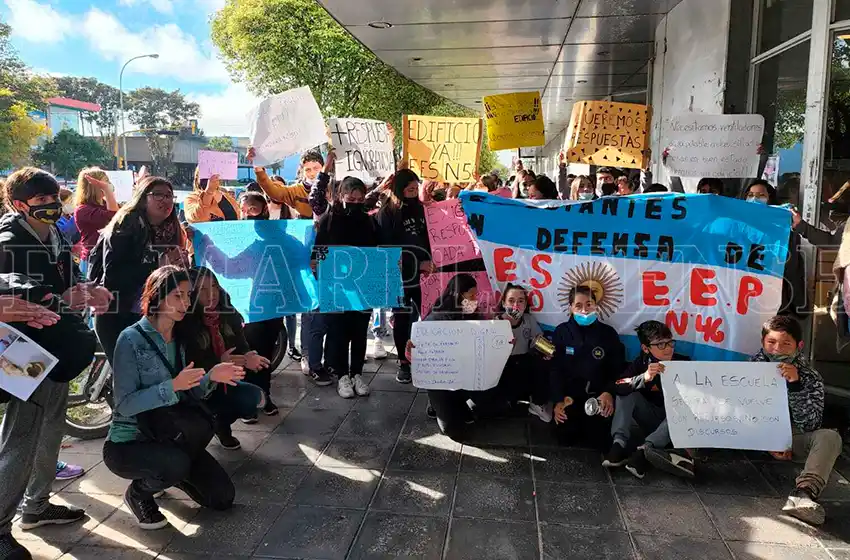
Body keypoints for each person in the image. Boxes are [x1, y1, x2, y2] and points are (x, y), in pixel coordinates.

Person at [103, 266, 242, 530]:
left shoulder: (182, 336)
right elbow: (125, 404)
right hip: (130, 442)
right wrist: (172, 386)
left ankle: (168, 474)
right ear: (157, 296)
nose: (186, 303)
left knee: (222, 498)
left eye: (188, 296)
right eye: (178, 296)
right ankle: (139, 493)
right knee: (174, 464)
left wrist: (212, 376)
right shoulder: (130, 339)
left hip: (174, 435)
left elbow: (192, 392)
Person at [0, 273, 97, 559]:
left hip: (45, 343)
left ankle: (37, 505)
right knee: (21, 437)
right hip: (17, 341)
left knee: (48, 430)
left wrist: (61, 298)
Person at [751, 315, 842, 526]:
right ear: (763, 342)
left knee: (830, 437)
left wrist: (795, 385)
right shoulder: (741, 372)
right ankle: (685, 456)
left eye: (786, 343)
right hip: (749, 436)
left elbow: (810, 424)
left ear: (798, 346)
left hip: (790, 439)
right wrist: (766, 442)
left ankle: (804, 494)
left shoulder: (810, 377)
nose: (777, 349)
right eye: (771, 342)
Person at [91, 176, 187, 365]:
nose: (165, 200)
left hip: (150, 314)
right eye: (158, 195)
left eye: (169, 196)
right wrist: (158, 265)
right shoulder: (125, 224)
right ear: (142, 198)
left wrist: (180, 265)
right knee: (128, 374)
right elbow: (114, 276)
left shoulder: (170, 229)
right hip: (118, 313)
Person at [178, 267, 268, 450]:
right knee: (205, 412)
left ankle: (221, 424)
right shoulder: (185, 321)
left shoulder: (227, 312)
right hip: (195, 387)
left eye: (214, 286)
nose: (211, 294)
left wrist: (249, 356)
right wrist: (218, 362)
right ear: (192, 294)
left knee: (254, 398)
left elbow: (240, 343)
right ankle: (206, 428)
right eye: (202, 289)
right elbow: (189, 365)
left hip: (224, 380)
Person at [314, 176, 378, 398]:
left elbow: (378, 250)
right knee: (338, 332)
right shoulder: (329, 220)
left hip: (363, 285)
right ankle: (341, 375)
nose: (355, 203)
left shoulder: (369, 222)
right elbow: (319, 251)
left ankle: (357, 373)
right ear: (341, 196)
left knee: (360, 331)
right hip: (337, 286)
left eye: (360, 200)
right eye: (351, 199)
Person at [608, 321, 692, 479]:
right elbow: (619, 385)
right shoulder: (641, 362)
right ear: (645, 348)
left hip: (674, 424)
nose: (668, 348)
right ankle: (618, 444)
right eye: (660, 344)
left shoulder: (684, 363)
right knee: (627, 393)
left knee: (683, 407)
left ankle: (644, 450)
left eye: (670, 342)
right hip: (651, 418)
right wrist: (643, 378)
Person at [405, 273, 482, 440]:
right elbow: (419, 354)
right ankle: (436, 403)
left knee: (481, 409)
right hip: (441, 379)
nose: (475, 300)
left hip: (463, 375)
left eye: (476, 295)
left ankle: (458, 402)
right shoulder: (436, 319)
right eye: (471, 296)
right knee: (452, 429)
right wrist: (411, 351)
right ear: (458, 295)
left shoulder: (474, 315)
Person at [376, 168, 433, 384]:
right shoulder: (387, 213)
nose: (414, 192)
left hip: (427, 275)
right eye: (409, 189)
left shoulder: (423, 208)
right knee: (402, 318)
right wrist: (418, 264)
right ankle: (404, 362)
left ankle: (430, 357)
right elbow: (387, 249)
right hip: (400, 276)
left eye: (416, 188)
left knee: (429, 316)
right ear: (399, 189)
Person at [550, 286, 624, 450]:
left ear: (596, 306)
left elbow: (617, 369)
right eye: (578, 305)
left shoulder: (608, 333)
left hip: (598, 396)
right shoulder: (562, 331)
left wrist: (609, 393)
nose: (584, 310)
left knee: (599, 442)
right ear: (571, 307)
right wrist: (558, 400)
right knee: (565, 437)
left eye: (589, 304)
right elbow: (556, 369)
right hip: (570, 397)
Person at [232, 191, 286, 414]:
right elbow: (230, 266)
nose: (247, 213)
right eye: (243, 209)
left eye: (252, 209)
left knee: (266, 351)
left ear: (264, 209)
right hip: (248, 303)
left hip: (273, 302)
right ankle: (247, 400)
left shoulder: (277, 234)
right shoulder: (236, 234)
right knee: (247, 349)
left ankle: (264, 395)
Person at [496, 284, 551, 422]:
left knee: (541, 363)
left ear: (525, 304)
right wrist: (504, 348)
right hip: (503, 366)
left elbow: (539, 340)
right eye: (511, 300)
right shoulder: (495, 323)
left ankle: (537, 403)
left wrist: (546, 351)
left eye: (520, 301)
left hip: (524, 362)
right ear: (504, 303)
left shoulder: (528, 320)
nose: (516, 305)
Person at [250, 149, 322, 219]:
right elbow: (273, 191)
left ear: (323, 167)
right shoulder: (296, 191)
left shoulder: (329, 188)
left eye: (316, 168)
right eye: (308, 170)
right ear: (302, 171)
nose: (312, 173)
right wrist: (257, 165)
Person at [73, 170, 118, 263]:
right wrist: (107, 191)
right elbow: (114, 217)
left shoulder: (106, 204)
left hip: (109, 257)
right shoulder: (83, 210)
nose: (108, 185)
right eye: (105, 182)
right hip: (93, 260)